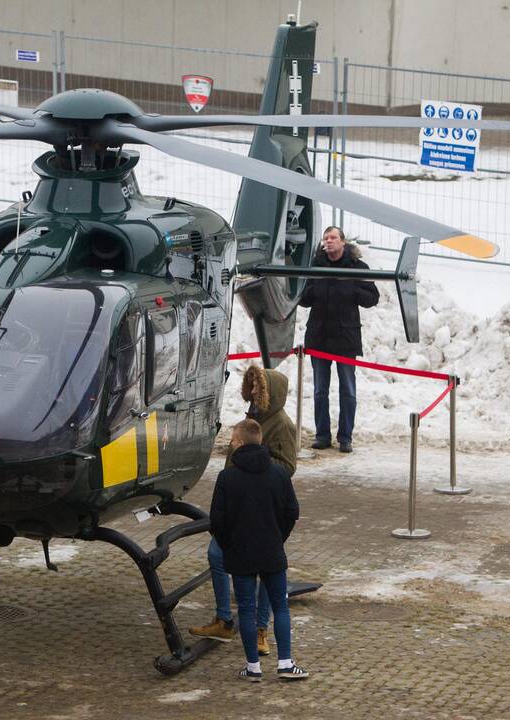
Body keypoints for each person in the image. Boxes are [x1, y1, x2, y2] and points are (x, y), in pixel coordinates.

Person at [188, 366, 297, 657]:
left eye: (257, 390)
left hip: (261, 509)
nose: (251, 396)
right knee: (216, 554)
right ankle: (224, 619)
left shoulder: (282, 424)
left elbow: (288, 466)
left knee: (265, 570)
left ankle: (261, 629)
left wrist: (254, 469)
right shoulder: (254, 416)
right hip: (237, 503)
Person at [210, 419, 306, 682]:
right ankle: (285, 663)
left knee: (247, 609)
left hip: (241, 554)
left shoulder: (227, 477)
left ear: (240, 443)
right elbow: (292, 512)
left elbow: (217, 520)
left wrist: (229, 544)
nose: (230, 444)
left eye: (232, 440)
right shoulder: (279, 474)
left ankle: (253, 667)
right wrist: (278, 537)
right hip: (272, 551)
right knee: (280, 607)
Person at [298, 225, 380, 453]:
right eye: (326, 238)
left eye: (333, 237)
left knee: (348, 391)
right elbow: (302, 298)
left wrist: (352, 291)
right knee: (319, 391)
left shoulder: (358, 267)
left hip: (345, 338)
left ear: (343, 242)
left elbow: (372, 298)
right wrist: (309, 293)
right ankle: (322, 435)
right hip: (319, 337)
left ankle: (346, 437)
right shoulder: (316, 266)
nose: (329, 241)